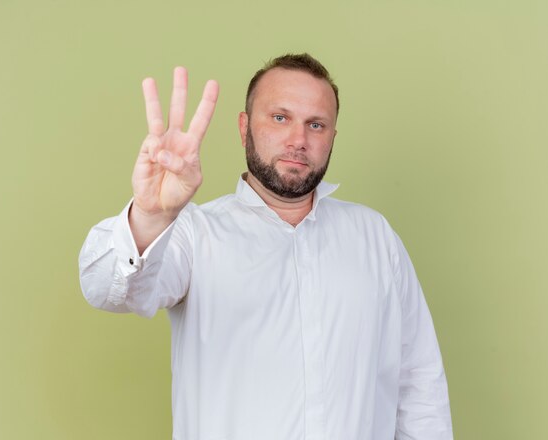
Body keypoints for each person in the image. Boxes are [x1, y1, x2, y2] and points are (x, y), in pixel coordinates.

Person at [79, 53, 453, 440]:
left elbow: (419, 386)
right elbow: (106, 289)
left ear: (332, 137)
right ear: (244, 128)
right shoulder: (192, 232)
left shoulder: (375, 237)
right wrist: (151, 215)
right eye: (280, 117)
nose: (298, 140)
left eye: (316, 124)